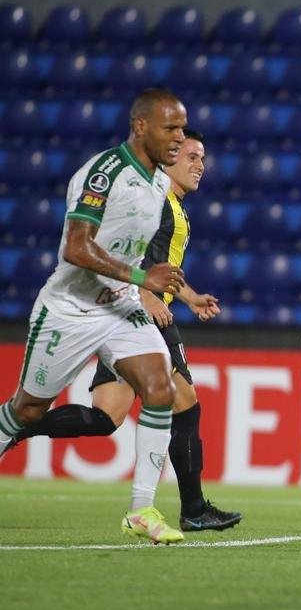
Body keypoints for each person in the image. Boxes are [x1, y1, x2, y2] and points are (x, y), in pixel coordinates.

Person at [5, 129, 242, 533]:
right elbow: (130, 254)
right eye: (191, 156)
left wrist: (189, 297)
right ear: (169, 159)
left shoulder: (172, 205)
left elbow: (159, 265)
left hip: (127, 312)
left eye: (203, 158)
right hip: (137, 314)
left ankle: (19, 426)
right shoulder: (155, 201)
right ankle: (193, 508)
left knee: (106, 417)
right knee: (185, 403)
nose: (200, 165)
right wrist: (144, 294)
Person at [0, 88, 189, 544]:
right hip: (70, 308)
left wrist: (140, 286)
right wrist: (142, 278)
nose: (179, 138)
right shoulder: (104, 174)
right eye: (171, 128)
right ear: (140, 126)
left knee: (160, 388)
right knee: (27, 410)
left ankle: (141, 509)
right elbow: (76, 248)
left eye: (182, 129)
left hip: (119, 305)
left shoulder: (159, 183)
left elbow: (130, 250)